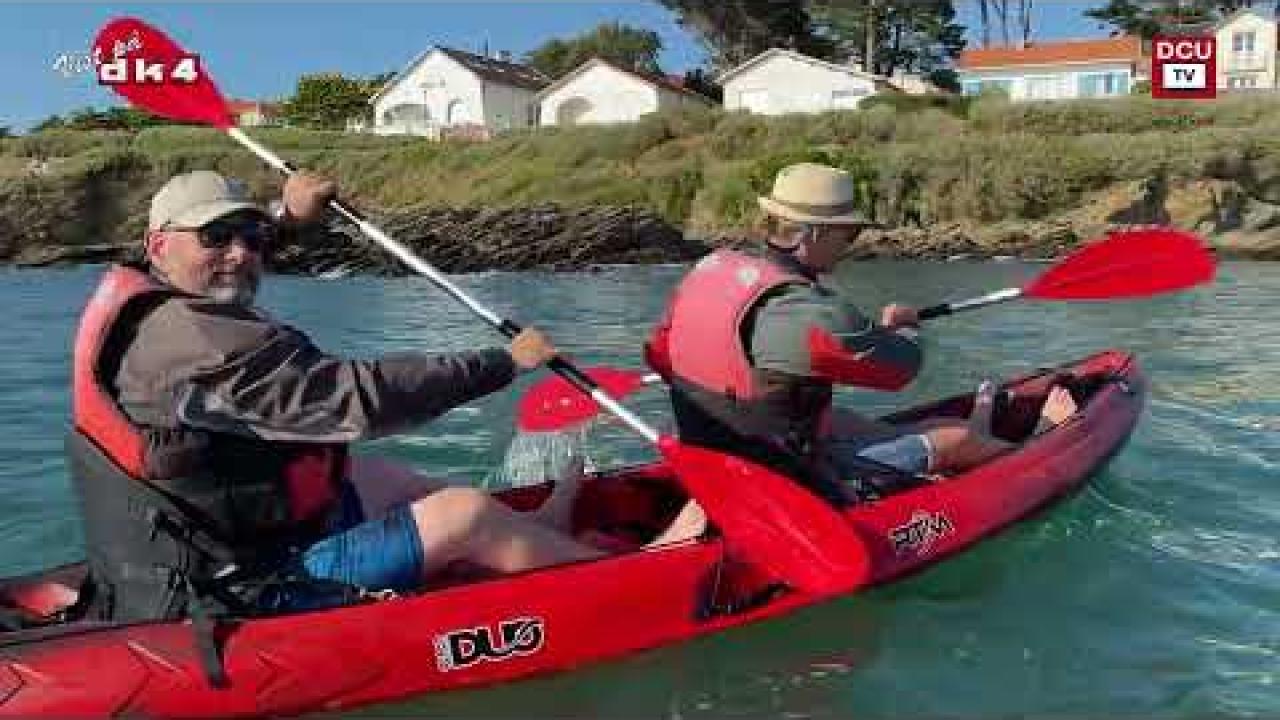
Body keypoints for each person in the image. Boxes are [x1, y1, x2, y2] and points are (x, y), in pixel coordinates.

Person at [69, 170, 616, 626]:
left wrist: (286, 216)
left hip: (229, 534)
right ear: (159, 245)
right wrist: (501, 364)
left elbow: (229, 249)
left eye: (253, 238)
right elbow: (359, 400)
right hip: (239, 585)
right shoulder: (196, 339)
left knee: (377, 477)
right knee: (464, 514)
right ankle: (622, 573)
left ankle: (540, 533)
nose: (240, 254)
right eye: (216, 237)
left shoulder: (153, 300)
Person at [645, 163, 1077, 508]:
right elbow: (899, 371)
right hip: (781, 479)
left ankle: (978, 430)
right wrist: (906, 327)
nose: (851, 244)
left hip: (712, 451)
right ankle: (1040, 439)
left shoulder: (711, 270)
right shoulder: (807, 309)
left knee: (863, 422)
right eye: (848, 233)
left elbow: (660, 355)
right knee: (953, 439)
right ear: (812, 233)